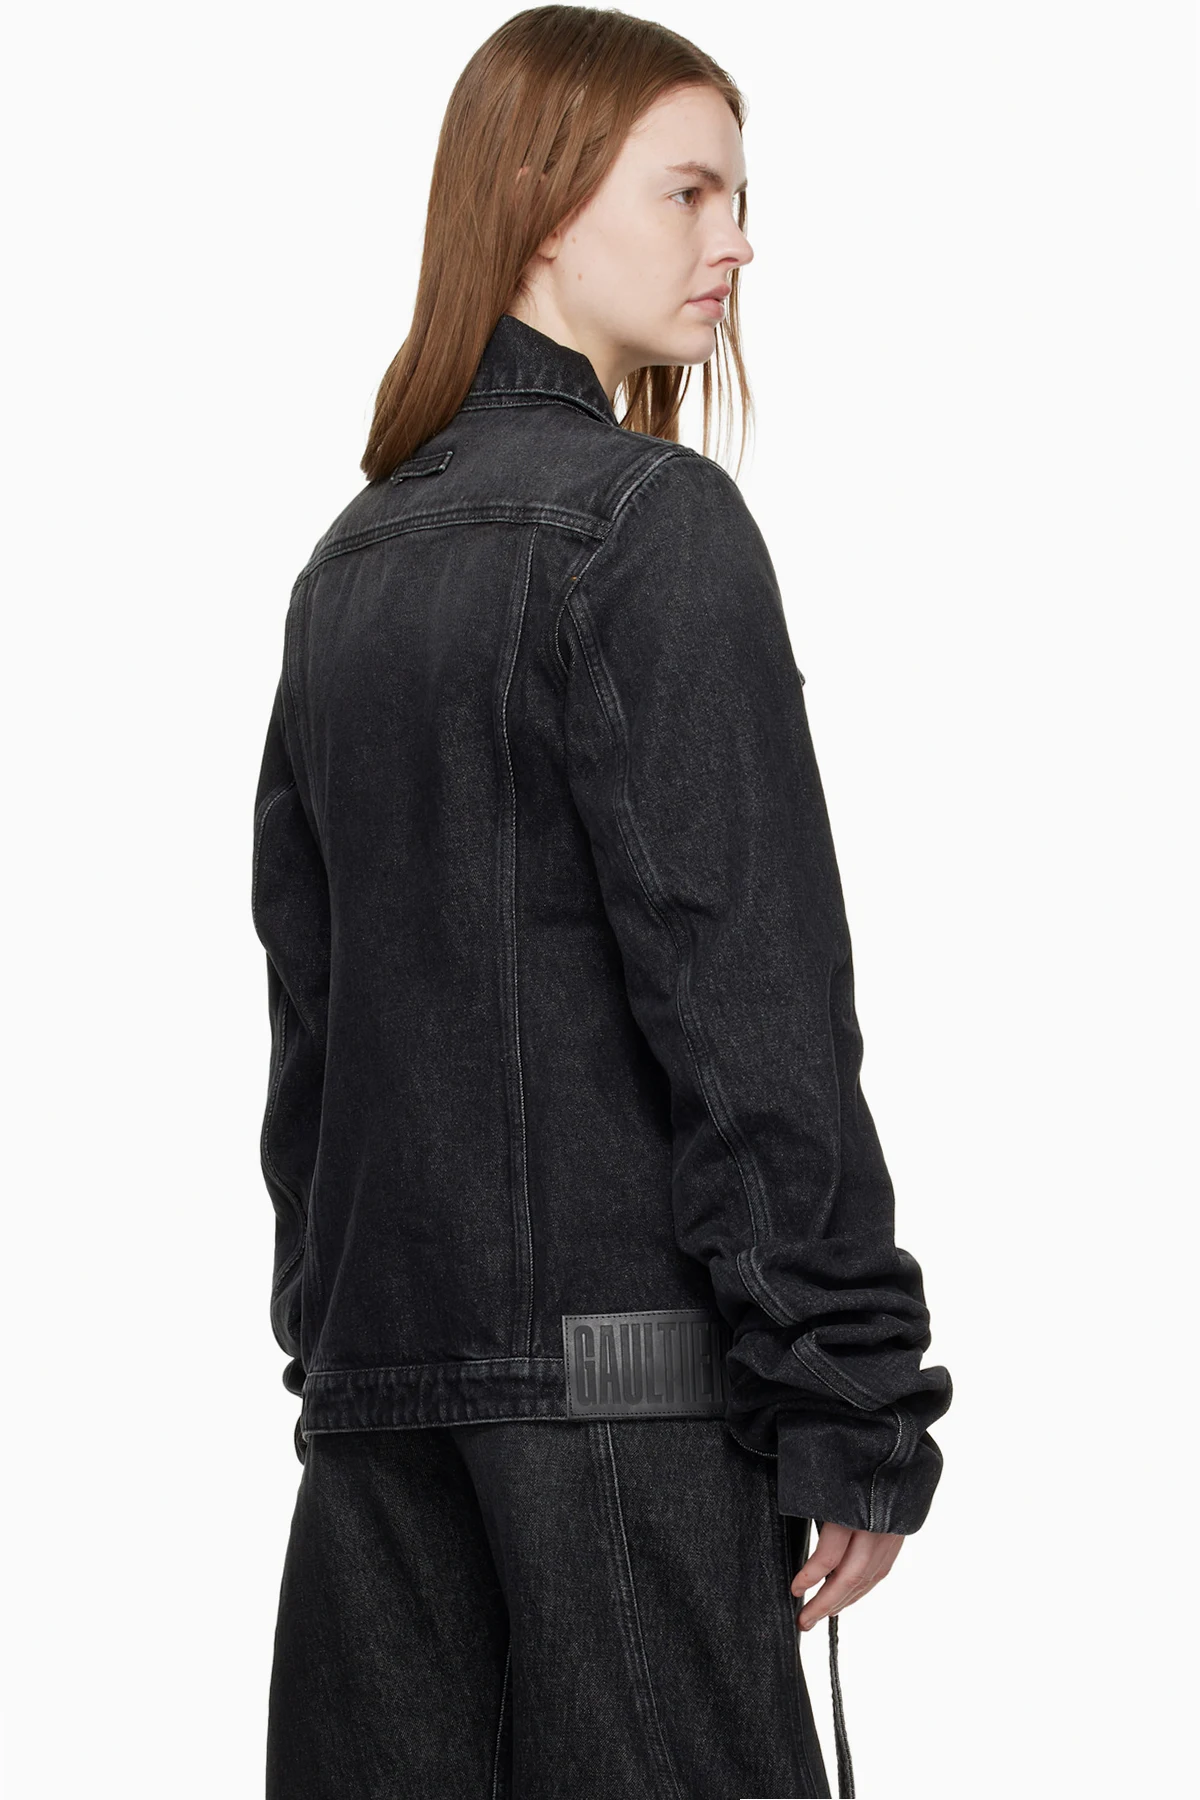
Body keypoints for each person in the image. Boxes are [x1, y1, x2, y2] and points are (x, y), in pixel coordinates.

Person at [250, 8, 952, 1797]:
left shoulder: (348, 569)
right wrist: (850, 1396)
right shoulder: (652, 523)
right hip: (624, 1424)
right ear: (546, 202)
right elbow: (751, 1006)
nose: (738, 242)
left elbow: (310, 1040)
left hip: (381, 1428)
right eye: (692, 191)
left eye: (742, 198)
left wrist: (342, 1352)